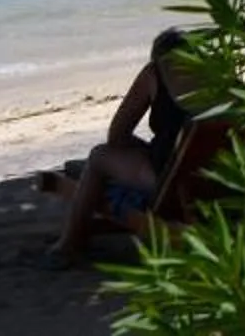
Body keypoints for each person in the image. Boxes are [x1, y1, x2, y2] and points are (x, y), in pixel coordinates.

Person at [49, 27, 199, 263]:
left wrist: (143, 150)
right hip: (218, 178)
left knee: (99, 156)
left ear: (158, 57)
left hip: (174, 181)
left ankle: (69, 244)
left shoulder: (154, 74)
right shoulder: (218, 78)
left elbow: (117, 135)